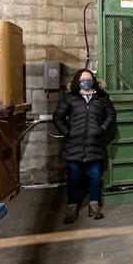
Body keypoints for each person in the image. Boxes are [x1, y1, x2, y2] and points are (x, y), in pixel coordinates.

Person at [53, 68, 117, 223]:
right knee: (74, 177)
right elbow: (58, 117)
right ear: (77, 82)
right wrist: (68, 132)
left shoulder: (102, 97)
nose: (86, 82)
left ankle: (94, 206)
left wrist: (102, 129)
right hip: (74, 144)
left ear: (93, 80)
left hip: (95, 143)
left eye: (88, 79)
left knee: (95, 177)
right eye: (82, 80)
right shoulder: (70, 98)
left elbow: (111, 114)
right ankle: (72, 207)